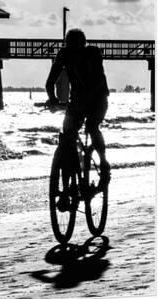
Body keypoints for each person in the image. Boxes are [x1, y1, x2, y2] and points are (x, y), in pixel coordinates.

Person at [45, 28, 110, 183]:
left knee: (92, 126)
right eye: (70, 45)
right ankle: (69, 161)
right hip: (79, 101)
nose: (73, 48)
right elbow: (50, 82)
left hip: (98, 99)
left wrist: (54, 99)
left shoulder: (92, 54)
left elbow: (98, 80)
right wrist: (52, 98)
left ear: (83, 44)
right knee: (68, 131)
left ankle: (103, 162)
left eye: (75, 45)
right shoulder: (64, 54)